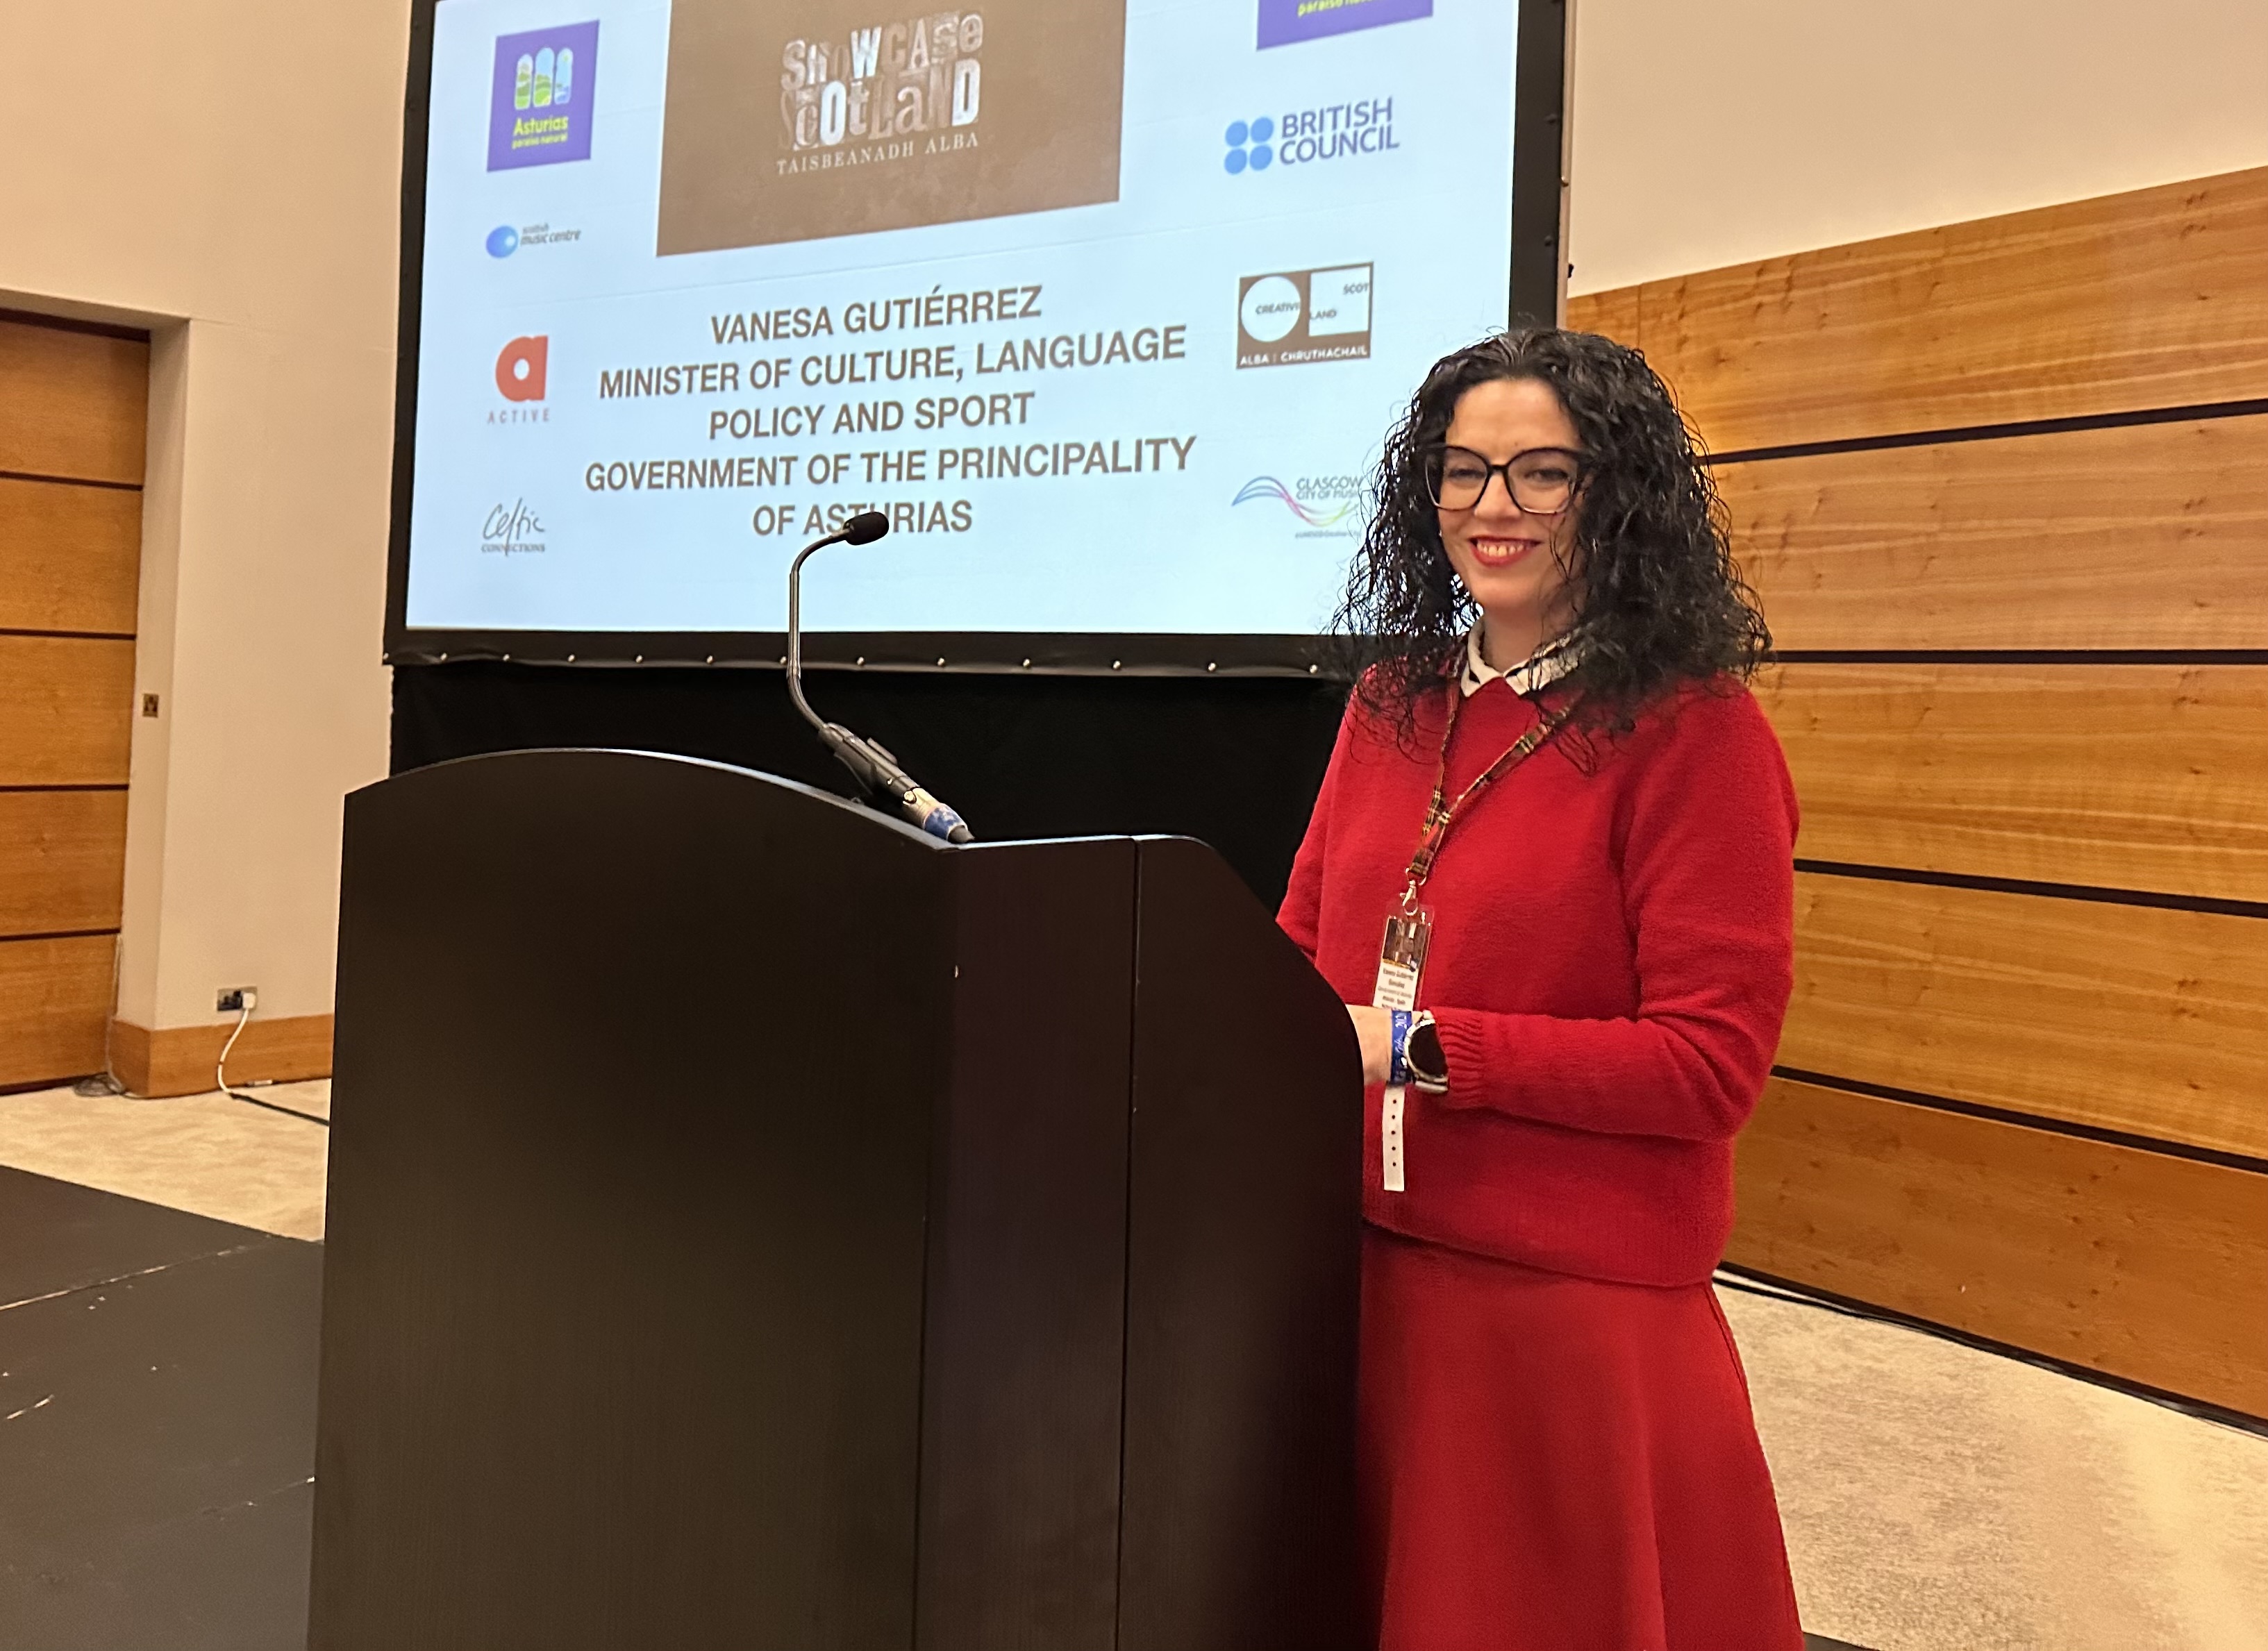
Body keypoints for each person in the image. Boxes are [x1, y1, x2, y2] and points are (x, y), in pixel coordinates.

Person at [1278, 327, 1806, 1650]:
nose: (1491, 506)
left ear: (1615, 494)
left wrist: (1418, 1046)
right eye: (1461, 470)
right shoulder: (1391, 702)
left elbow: (1707, 1067)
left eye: (1539, 473)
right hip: (1357, 1278)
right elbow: (1299, 946)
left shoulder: (1696, 731)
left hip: (1563, 1320)